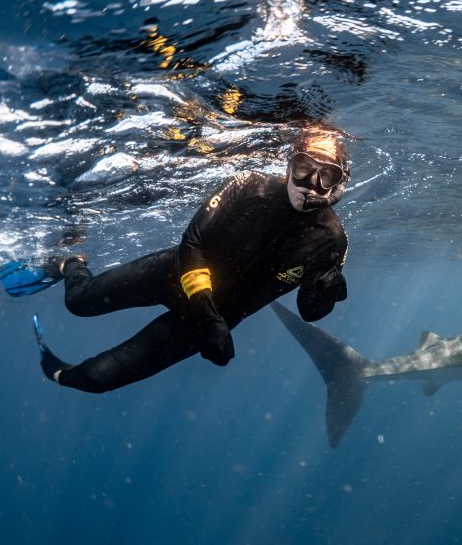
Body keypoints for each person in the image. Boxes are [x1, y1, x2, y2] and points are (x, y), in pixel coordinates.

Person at [24, 124, 351, 393]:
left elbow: (309, 312)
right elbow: (192, 242)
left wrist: (326, 291)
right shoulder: (249, 186)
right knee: (79, 302)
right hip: (178, 278)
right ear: (288, 165)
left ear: (339, 184)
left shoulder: (332, 241)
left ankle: (54, 371)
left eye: (326, 177)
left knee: (96, 379)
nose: (310, 185)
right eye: (304, 169)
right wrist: (210, 319)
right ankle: (70, 262)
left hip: (208, 323)